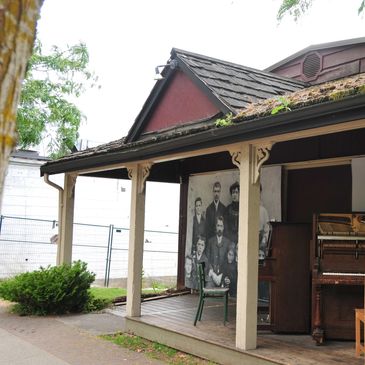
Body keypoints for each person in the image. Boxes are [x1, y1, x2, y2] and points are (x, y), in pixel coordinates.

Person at [207, 216, 232, 287]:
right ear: (215, 227)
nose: (219, 228)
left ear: (223, 227)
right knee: (209, 289)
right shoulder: (210, 241)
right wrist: (213, 273)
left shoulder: (227, 242)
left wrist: (222, 275)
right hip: (212, 275)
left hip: (223, 275)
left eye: (221, 226)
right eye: (218, 226)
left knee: (225, 290)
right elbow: (207, 259)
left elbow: (229, 261)